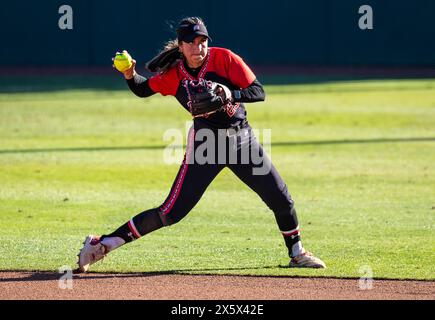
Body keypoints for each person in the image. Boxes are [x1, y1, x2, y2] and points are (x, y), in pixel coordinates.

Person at [77, 17, 326, 272]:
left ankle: (297, 253)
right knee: (170, 212)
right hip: (206, 147)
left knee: (281, 197)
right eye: (192, 43)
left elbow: (258, 91)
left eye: (202, 41)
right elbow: (143, 89)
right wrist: (129, 74)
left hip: (242, 141)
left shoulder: (225, 59)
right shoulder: (174, 75)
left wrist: (232, 94)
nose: (199, 48)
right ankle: (100, 244)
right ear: (181, 46)